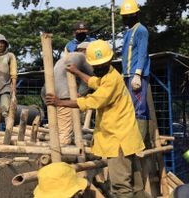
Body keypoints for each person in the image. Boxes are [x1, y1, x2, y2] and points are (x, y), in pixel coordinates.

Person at [46, 40, 147, 197]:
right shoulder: (110, 73)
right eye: (96, 66)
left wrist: (60, 102)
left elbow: (92, 101)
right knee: (136, 186)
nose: (98, 68)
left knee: (121, 188)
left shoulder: (112, 81)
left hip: (118, 142)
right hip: (126, 139)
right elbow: (95, 82)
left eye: (100, 65)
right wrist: (77, 72)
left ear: (109, 61)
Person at [120, 0, 151, 141]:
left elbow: (143, 54)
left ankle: (139, 141)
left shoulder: (141, 30)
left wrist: (137, 74)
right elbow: (127, 56)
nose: (125, 19)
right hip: (127, 74)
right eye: (124, 16)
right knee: (129, 107)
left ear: (135, 15)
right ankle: (132, 138)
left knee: (139, 108)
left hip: (136, 75)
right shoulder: (128, 32)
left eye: (128, 16)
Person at [53, 42, 93, 145]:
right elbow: (93, 76)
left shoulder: (67, 57)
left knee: (60, 126)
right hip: (64, 96)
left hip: (54, 93)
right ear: (86, 51)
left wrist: (76, 93)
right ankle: (60, 155)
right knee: (65, 131)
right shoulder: (82, 57)